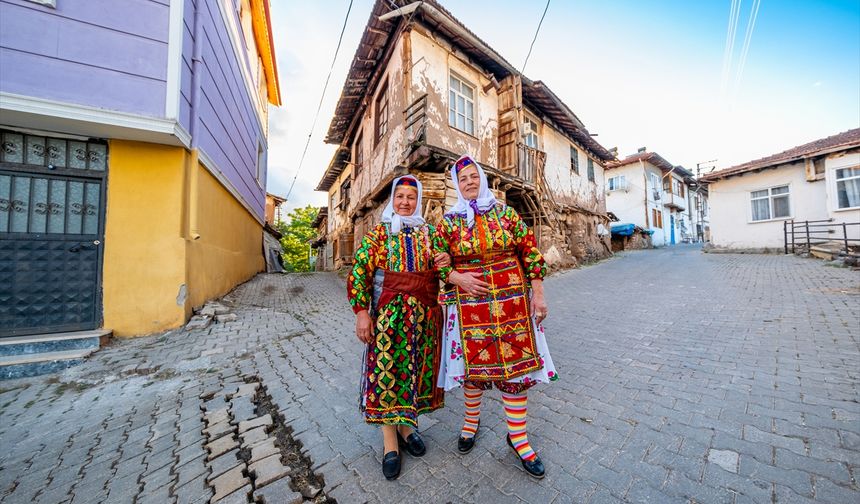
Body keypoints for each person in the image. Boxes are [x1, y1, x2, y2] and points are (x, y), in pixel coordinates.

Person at [434, 155, 558, 479]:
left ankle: (518, 438)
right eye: (463, 179)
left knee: (514, 369)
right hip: (468, 305)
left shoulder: (506, 214)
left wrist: (539, 295)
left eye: (474, 176)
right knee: (472, 369)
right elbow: (437, 259)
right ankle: (470, 424)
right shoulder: (449, 222)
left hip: (512, 302)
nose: (469, 182)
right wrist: (457, 278)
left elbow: (530, 252)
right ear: (457, 185)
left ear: (483, 179)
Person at [347, 175, 448, 480]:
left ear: (418, 201)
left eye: (411, 197)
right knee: (387, 376)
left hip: (423, 321)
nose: (405, 202)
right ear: (393, 199)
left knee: (413, 375)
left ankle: (407, 429)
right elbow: (360, 273)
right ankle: (390, 444)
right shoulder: (378, 236)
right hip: (388, 321)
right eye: (400, 196)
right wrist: (361, 313)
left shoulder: (429, 233)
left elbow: (445, 267)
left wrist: (445, 259)